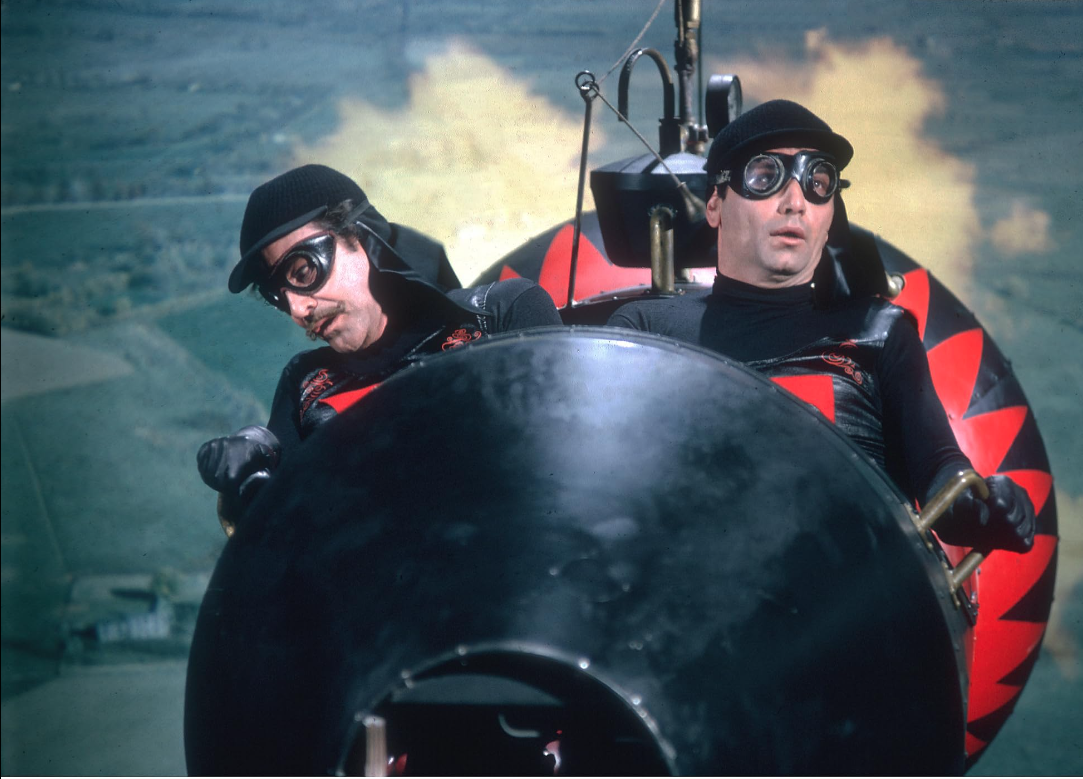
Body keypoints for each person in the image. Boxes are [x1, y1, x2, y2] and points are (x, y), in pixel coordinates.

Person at [607, 100, 1034, 552]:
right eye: (765, 176)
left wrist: (982, 506)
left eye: (819, 183)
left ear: (830, 218)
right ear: (715, 204)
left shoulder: (879, 332)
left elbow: (939, 471)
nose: (796, 203)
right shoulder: (644, 332)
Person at [198, 164, 561, 523]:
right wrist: (251, 466)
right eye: (277, 296)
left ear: (361, 237)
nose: (297, 310)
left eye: (303, 272)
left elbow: (562, 454)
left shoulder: (500, 315)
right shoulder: (305, 382)